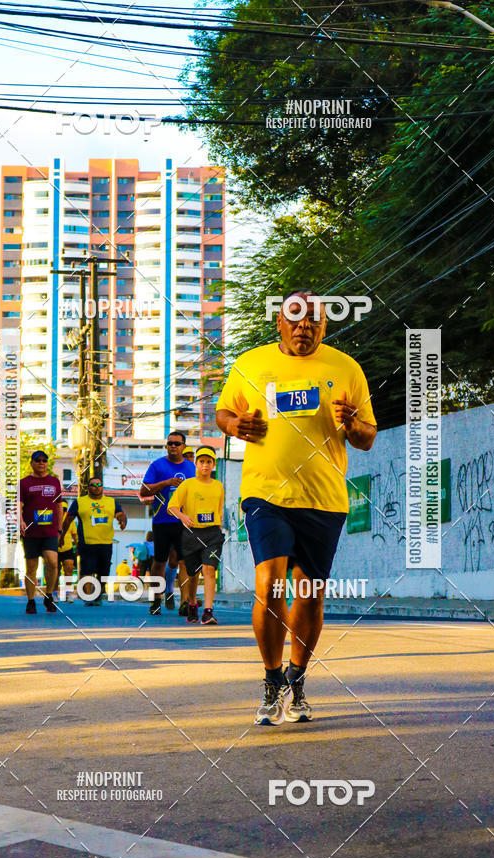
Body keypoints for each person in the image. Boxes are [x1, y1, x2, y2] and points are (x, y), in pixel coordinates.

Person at [216, 291, 377, 725]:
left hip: (323, 499)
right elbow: (222, 412)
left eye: (314, 322)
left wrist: (352, 424)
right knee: (269, 582)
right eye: (296, 318)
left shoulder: (346, 368)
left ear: (325, 327)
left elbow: (366, 437)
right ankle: (271, 681)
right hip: (266, 493)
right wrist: (235, 425)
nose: (305, 326)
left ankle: (297, 679)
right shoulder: (250, 364)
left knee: (308, 595)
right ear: (279, 324)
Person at [139, 431, 195, 615]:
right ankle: (156, 600)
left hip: (184, 521)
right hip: (162, 521)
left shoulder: (192, 468)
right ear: (166, 446)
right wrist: (166, 483)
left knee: (184, 562)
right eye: (170, 443)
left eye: (177, 444)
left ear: (183, 446)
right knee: (159, 562)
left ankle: (185, 602)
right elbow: (144, 491)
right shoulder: (157, 465)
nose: (173, 446)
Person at [168, 446, 225, 625]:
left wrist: (219, 529)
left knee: (209, 569)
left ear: (213, 464)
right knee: (193, 574)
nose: (205, 465)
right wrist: (183, 516)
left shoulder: (218, 486)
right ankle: (192, 603)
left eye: (209, 462)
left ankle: (208, 611)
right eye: (202, 462)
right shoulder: (187, 485)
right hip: (192, 534)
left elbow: (219, 511)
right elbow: (171, 507)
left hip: (213, 534)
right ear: (196, 464)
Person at [60, 476, 127, 606]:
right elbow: (68, 519)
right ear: (88, 487)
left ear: (102, 487)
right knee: (87, 570)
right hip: (86, 543)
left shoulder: (111, 502)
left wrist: (122, 521)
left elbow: (120, 514)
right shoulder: (79, 502)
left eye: (99, 484)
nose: (96, 487)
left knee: (104, 571)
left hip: (106, 542)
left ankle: (97, 595)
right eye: (93, 485)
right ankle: (88, 597)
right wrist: (62, 535)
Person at [19, 450, 62, 615]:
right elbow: (19, 505)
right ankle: (30, 601)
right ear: (32, 463)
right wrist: (20, 520)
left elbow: (59, 505)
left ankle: (49, 595)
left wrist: (59, 528)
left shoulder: (54, 481)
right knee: (31, 567)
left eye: (44, 460)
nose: (41, 463)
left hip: (50, 530)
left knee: (52, 562)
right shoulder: (24, 483)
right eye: (38, 460)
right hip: (31, 531)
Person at [57, 500, 78, 602]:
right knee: (55, 572)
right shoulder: (53, 519)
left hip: (68, 549)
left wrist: (78, 546)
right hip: (54, 549)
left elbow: (75, 535)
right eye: (61, 509)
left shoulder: (70, 520)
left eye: (64, 509)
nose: (63, 511)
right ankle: (53, 593)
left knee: (69, 569)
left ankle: (68, 593)